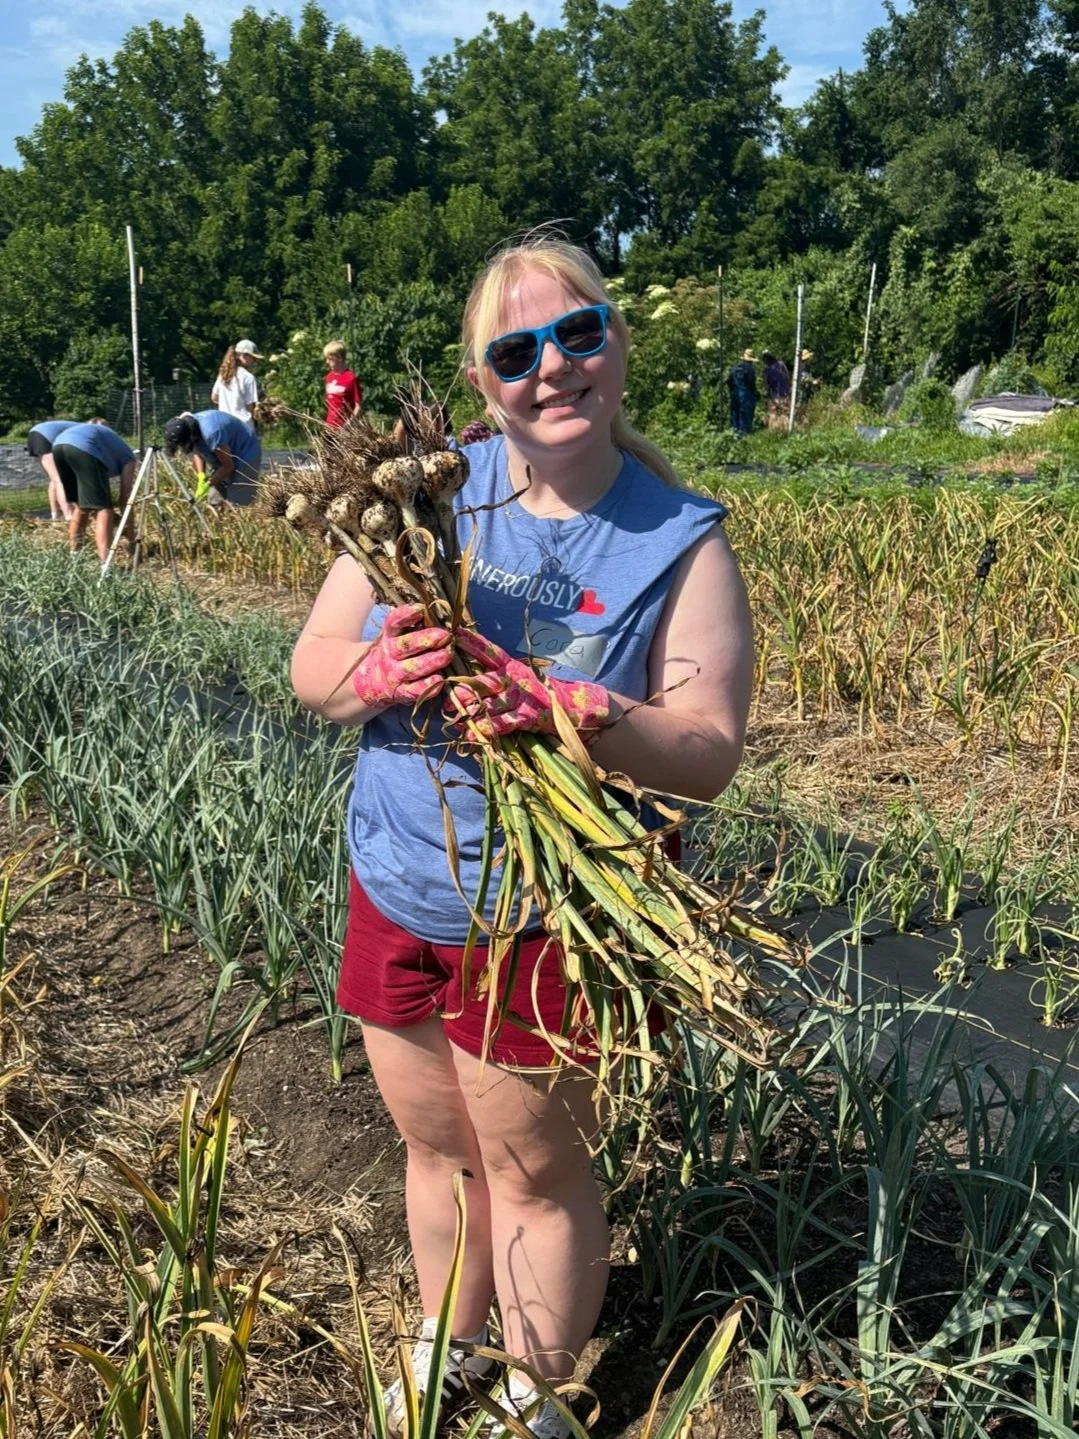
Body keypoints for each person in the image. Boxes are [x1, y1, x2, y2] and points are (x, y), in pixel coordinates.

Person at [290, 236, 754, 1437]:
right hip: (397, 881)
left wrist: (590, 715)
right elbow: (313, 667)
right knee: (439, 1152)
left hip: (551, 913)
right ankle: (450, 1343)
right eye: (515, 350)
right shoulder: (424, 492)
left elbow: (706, 748)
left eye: (576, 334)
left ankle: (532, 1394)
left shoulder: (679, 537)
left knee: (535, 1172)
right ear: (483, 378)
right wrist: (376, 668)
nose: (551, 365)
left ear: (614, 341)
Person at [51, 420, 136, 564]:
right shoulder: (128, 456)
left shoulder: (103, 439)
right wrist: (131, 535)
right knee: (104, 509)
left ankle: (75, 558)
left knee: (81, 507)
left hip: (58, 446)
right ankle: (106, 565)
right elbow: (126, 498)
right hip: (83, 447)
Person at [163, 409, 262, 506]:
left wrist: (207, 485)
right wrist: (201, 475)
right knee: (214, 500)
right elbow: (197, 452)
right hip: (222, 457)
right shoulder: (189, 428)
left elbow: (228, 466)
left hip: (245, 453)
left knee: (237, 503)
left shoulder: (211, 433)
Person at [26, 419, 77, 521]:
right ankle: (69, 516)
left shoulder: (79, 427)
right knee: (61, 480)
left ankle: (55, 516)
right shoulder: (89, 430)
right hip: (44, 437)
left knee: (54, 479)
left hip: (36, 435)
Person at [211, 339, 261, 430]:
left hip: (224, 424)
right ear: (243, 355)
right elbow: (249, 407)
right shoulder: (248, 377)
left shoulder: (223, 374)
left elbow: (214, 398)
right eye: (253, 357)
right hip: (243, 426)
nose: (255, 360)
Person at [323, 340, 362, 427]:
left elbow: (358, 406)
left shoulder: (351, 378)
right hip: (330, 426)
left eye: (330, 359)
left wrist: (349, 424)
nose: (327, 362)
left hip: (345, 428)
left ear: (339, 357)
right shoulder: (328, 377)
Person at [727, 349, 759, 435]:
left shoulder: (735, 368)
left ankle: (733, 433)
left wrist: (732, 390)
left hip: (735, 393)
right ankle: (744, 434)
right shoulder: (751, 369)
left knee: (735, 413)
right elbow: (751, 383)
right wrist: (755, 394)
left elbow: (729, 381)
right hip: (746, 394)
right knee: (746, 414)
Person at [761, 351, 791, 429]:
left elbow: (765, 384)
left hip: (773, 395)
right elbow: (787, 377)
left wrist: (767, 394)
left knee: (773, 414)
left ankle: (773, 431)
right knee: (785, 412)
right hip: (784, 393)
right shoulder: (781, 365)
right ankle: (785, 429)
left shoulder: (766, 370)